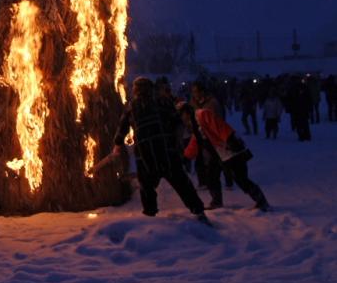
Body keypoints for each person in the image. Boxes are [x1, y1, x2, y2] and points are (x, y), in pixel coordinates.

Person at [113, 77, 209, 224]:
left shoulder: (132, 107)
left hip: (146, 156)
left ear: (136, 90)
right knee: (182, 183)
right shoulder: (162, 102)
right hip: (167, 152)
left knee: (147, 187)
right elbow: (175, 119)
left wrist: (118, 144)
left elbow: (122, 128)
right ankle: (198, 211)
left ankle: (150, 218)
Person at [183, 105, 270, 211]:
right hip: (216, 155)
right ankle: (216, 202)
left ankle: (261, 201)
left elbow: (220, 126)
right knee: (211, 177)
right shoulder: (194, 124)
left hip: (230, 151)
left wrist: (229, 138)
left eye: (182, 115)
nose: (182, 118)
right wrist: (186, 156)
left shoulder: (202, 114)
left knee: (241, 179)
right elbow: (195, 140)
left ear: (187, 112)